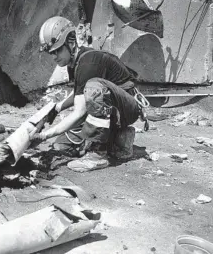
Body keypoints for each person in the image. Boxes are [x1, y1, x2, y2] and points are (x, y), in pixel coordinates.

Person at [34, 16, 149, 171]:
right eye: (51, 52)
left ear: (70, 41)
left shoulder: (88, 63)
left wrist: (46, 135)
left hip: (128, 109)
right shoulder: (74, 63)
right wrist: (57, 108)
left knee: (94, 88)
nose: (54, 57)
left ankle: (98, 155)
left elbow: (79, 112)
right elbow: (78, 95)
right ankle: (118, 139)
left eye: (57, 50)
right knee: (61, 146)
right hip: (112, 109)